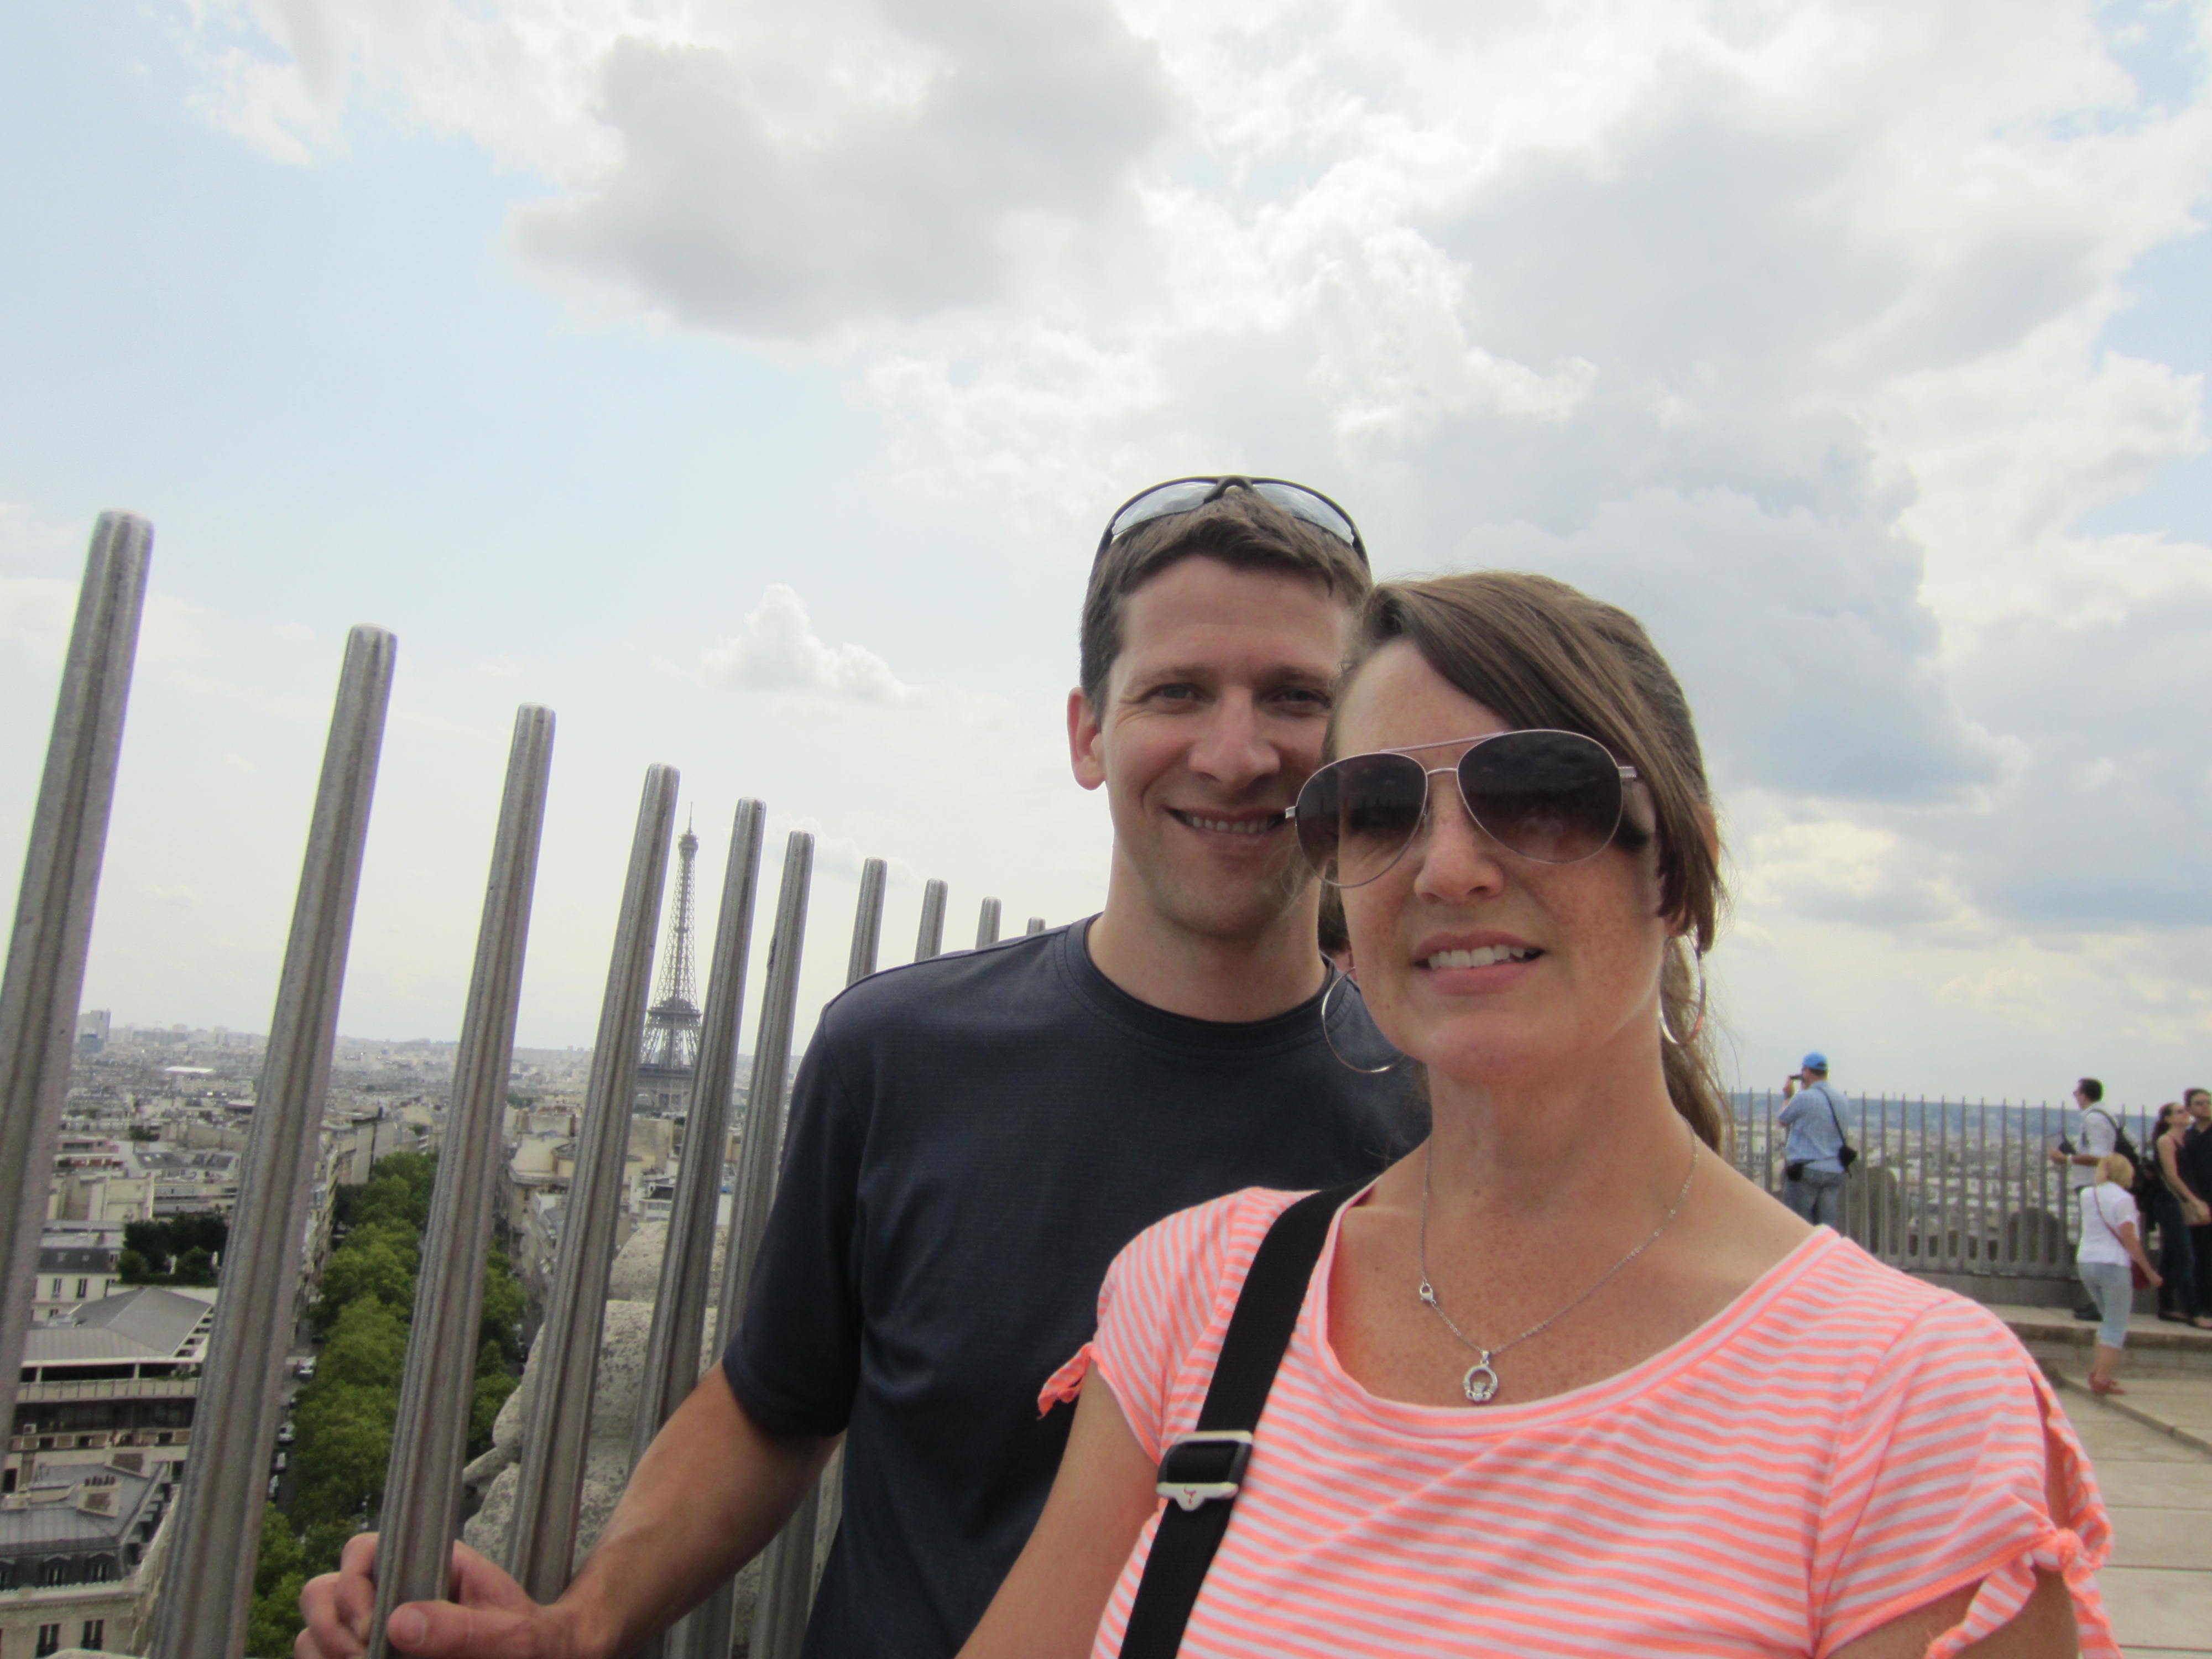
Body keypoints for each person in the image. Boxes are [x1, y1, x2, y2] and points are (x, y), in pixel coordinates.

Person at [298, 479, 1418, 1659]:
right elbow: (777, 1403)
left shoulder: (1440, 1113)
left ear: (1359, 749)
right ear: (1088, 735)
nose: (1236, 753)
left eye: (1295, 698)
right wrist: (581, 1625)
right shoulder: (897, 1056)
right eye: (1177, 692)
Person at [960, 572, 2112, 1659]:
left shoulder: (1911, 1406)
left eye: (1541, 796)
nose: (1448, 869)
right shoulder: (1196, 1298)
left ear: (1678, 868)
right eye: (1378, 808)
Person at [2076, 1151, 2162, 1395]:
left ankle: (2097, 1371)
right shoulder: (2124, 1200)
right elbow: (2129, 1238)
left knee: (2106, 1319)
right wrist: (2149, 1271)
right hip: (2113, 1264)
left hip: (2086, 1260)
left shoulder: (2087, 1194)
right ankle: (2102, 1377)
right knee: (2116, 1324)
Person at [2051, 1078, 2119, 1322]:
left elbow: (2100, 1156)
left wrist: (2067, 1159)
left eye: (2076, 1093)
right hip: (2097, 1185)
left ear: (2084, 1095)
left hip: (2093, 1185)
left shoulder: (2094, 1118)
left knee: (2095, 1245)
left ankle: (2102, 1304)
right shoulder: (2106, 1115)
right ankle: (2100, 1302)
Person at [2151, 1101, 2210, 1328]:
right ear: (2168, 1119)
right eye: (2179, 1112)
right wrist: (2194, 1201)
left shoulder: (2184, 1140)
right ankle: (2194, 1312)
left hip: (2176, 1202)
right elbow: (2172, 1176)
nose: (2185, 1114)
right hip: (2172, 1203)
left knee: (2171, 1255)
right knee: (2186, 1258)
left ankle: (2166, 1305)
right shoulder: (2167, 1141)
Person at [1777, 1052, 1850, 1227]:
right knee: (1825, 1227)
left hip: (1806, 1170)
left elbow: (1782, 1120)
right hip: (1833, 1170)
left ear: (1807, 1072)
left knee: (1799, 1225)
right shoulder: (1842, 1100)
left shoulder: (1804, 1097)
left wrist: (1788, 1097)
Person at [2184, 1086, 2212, 1306]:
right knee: (2197, 1252)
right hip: (2195, 1200)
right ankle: (2200, 1303)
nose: (2205, 1107)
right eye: (2199, 1103)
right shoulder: (2188, 1136)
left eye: (2208, 1103)